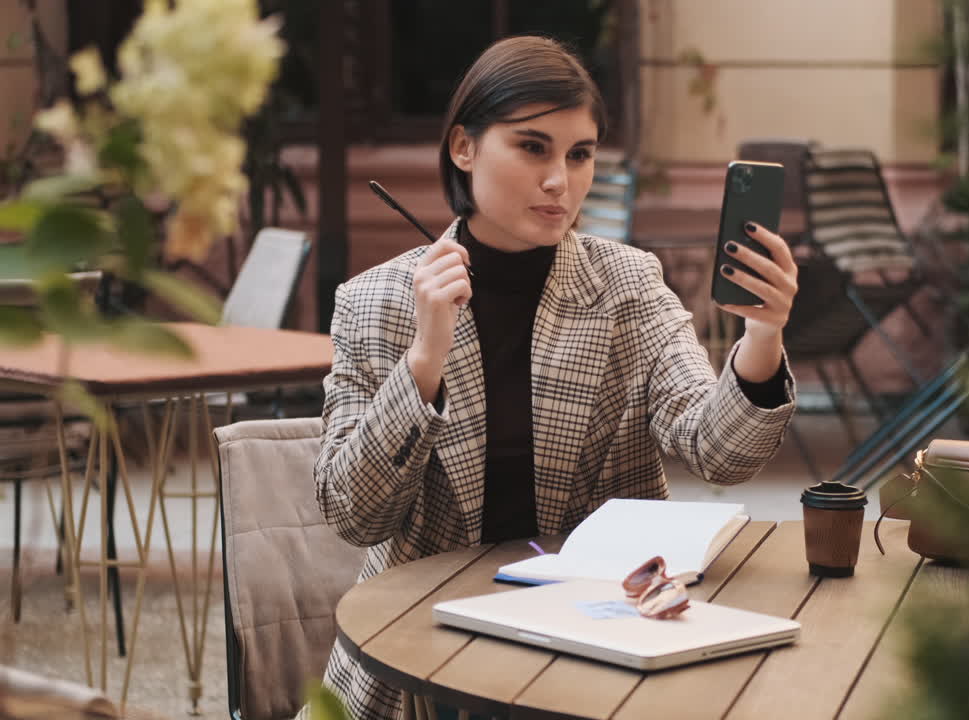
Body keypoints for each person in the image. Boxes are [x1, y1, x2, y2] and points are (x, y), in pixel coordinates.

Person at [311, 35, 799, 720]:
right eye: (532, 147)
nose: (559, 182)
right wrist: (423, 363)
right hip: (420, 651)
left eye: (580, 154)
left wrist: (763, 333)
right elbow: (354, 515)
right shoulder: (377, 300)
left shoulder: (627, 283)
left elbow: (718, 449)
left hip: (602, 642)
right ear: (464, 147)